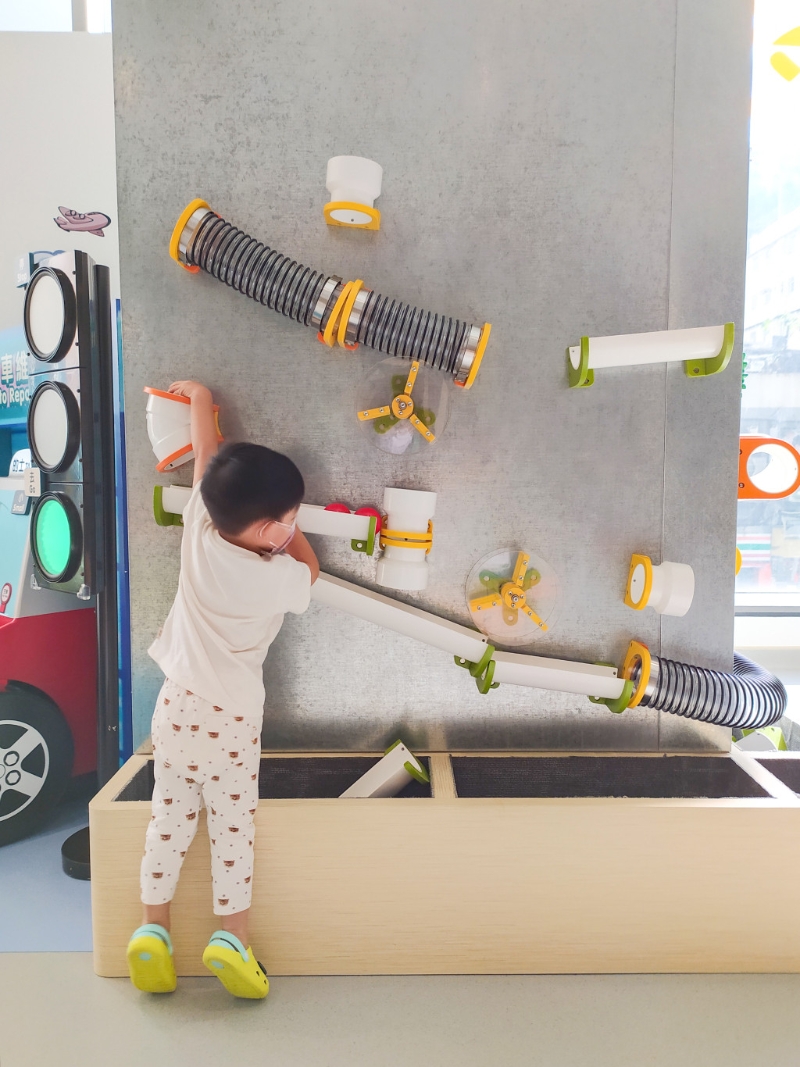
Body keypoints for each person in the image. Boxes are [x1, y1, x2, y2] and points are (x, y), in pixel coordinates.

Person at [126, 380, 319, 999]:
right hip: (231, 722)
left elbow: (206, 463)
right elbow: (311, 573)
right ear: (268, 530)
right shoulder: (274, 578)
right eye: (288, 519)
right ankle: (231, 939)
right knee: (232, 834)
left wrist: (201, 403)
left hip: (174, 708)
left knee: (168, 822)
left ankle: (152, 931)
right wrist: (292, 536)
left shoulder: (200, 529)